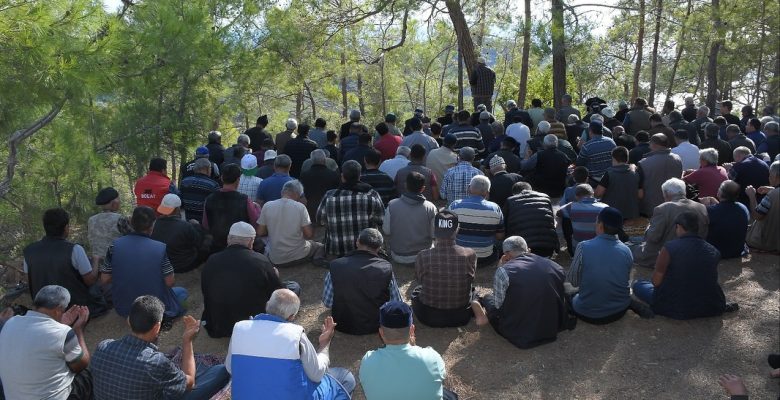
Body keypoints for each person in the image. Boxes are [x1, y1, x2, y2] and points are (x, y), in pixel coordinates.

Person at [90, 296, 229, 400]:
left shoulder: (103, 346)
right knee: (222, 370)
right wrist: (187, 340)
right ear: (157, 327)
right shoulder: (154, 362)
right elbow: (190, 383)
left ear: (129, 321)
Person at [227, 289, 355, 398]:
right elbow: (316, 375)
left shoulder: (239, 328)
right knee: (345, 377)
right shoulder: (296, 335)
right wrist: (324, 344)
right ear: (292, 317)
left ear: (267, 305)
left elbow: (229, 367)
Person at [201, 222, 297, 338]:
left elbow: (206, 292)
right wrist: (275, 276)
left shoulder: (211, 260)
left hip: (219, 326)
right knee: (294, 287)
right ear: (251, 241)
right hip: (253, 325)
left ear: (228, 239)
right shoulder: (260, 261)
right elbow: (277, 292)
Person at [632, 212, 732, 319]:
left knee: (638, 284)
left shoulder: (669, 248)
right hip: (708, 306)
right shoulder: (713, 251)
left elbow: (656, 282)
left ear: (679, 227)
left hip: (674, 306)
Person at [0, 285, 92, 400]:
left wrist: (59, 325)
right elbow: (81, 364)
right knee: (85, 374)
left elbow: (37, 340)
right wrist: (78, 329)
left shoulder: (11, 323)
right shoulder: (62, 332)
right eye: (64, 309)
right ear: (58, 309)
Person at [479, 236, 567, 349]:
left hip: (520, 332)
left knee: (488, 298)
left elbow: (498, 304)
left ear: (507, 254)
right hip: (552, 326)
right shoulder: (554, 265)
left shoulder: (504, 271)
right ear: (527, 249)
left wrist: (500, 267)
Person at [359, 301, 458, 400]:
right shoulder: (432, 358)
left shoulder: (368, 361)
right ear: (412, 330)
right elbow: (442, 376)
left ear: (381, 332)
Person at [101, 206, 187, 318]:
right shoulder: (159, 248)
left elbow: (104, 279)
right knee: (182, 292)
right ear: (152, 226)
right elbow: (170, 282)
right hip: (153, 309)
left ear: (131, 222)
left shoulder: (114, 246)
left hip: (124, 309)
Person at [567, 208, 649, 324]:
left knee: (567, 292)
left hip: (587, 312)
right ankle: (631, 303)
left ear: (600, 225)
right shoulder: (626, 250)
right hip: (619, 311)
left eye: (596, 221)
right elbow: (623, 279)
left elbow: (574, 282)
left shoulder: (583, 246)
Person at [25, 208, 106, 317]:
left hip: (42, 309)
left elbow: (29, 280)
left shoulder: (29, 251)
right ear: (66, 228)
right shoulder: (75, 249)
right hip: (72, 308)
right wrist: (96, 261)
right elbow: (90, 281)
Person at [322, 228, 402, 335]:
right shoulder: (386, 268)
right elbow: (396, 302)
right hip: (376, 324)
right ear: (379, 247)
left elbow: (327, 302)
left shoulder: (336, 265)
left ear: (357, 242)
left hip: (343, 325)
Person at [632, 178, 709, 267]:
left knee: (629, 247)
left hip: (665, 256)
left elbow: (653, 237)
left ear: (666, 194)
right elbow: (704, 233)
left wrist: (649, 227)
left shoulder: (662, 208)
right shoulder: (701, 207)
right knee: (635, 240)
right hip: (693, 253)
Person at [317, 160, 385, 257]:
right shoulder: (372, 194)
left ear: (342, 176)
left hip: (336, 249)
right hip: (366, 248)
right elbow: (381, 219)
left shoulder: (329, 196)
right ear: (359, 176)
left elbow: (320, 220)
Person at [257, 180, 326, 267]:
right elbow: (309, 235)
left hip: (276, 259)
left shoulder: (267, 206)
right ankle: (317, 259)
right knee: (319, 246)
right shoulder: (300, 207)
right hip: (298, 255)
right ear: (297, 194)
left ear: (282, 192)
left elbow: (260, 232)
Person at [449, 175, 505, 267]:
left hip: (460, 257)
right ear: (487, 192)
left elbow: (448, 232)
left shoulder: (454, 205)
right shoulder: (496, 208)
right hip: (485, 259)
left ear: (468, 188)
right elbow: (500, 236)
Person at [383, 172, 437, 264]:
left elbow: (386, 231)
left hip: (398, 256)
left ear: (405, 185)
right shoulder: (431, 207)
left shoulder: (392, 205)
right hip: (424, 256)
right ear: (423, 188)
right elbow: (434, 234)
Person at [203, 164, 259, 252]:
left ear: (222, 178)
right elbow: (255, 224)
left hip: (215, 247)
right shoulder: (245, 200)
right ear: (238, 180)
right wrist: (257, 209)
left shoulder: (209, 199)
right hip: (239, 249)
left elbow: (205, 225)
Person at [151, 194, 208, 273]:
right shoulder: (186, 226)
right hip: (183, 266)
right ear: (177, 209)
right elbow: (198, 242)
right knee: (207, 241)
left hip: (162, 264)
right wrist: (197, 225)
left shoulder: (153, 224)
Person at [504, 182, 559, 257]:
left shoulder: (510, 201)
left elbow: (504, 226)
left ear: (514, 194)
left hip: (522, 248)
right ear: (531, 189)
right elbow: (551, 221)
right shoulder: (545, 198)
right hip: (547, 246)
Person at [699, 181, 749, 259]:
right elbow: (726, 213)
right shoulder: (743, 209)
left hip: (716, 252)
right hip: (737, 251)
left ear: (719, 193)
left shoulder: (710, 211)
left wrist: (703, 207)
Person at [638, 134, 683, 216]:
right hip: (675, 205)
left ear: (654, 145)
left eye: (650, 143)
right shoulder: (677, 159)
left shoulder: (643, 163)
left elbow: (640, 189)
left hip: (652, 207)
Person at [87, 187, 131, 269]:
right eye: (118, 199)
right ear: (113, 202)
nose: (120, 201)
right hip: (115, 265)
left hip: (96, 265)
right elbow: (133, 239)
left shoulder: (91, 220)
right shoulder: (120, 219)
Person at [559, 184, 609, 254]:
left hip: (578, 247)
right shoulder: (604, 207)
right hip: (598, 247)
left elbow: (559, 212)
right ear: (593, 194)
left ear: (576, 196)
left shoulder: (571, 207)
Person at [595, 146, 642, 220]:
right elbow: (640, 195)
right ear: (627, 159)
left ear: (613, 158)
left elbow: (598, 193)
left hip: (612, 215)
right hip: (631, 215)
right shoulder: (636, 173)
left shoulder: (609, 173)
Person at [745, 161, 780, 252]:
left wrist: (752, 196)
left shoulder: (771, 196)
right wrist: (773, 189)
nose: (769, 177)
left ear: (776, 176)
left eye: (770, 175)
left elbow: (757, 216)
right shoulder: (773, 192)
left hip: (768, 242)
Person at [299, 149, 341, 220]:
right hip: (328, 210)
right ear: (325, 160)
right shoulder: (333, 175)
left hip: (310, 211)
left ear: (312, 161)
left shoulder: (304, 175)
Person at [179, 158, 220, 224]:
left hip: (187, 222)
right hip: (205, 225)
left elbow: (180, 203)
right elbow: (216, 207)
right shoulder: (213, 185)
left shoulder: (184, 182)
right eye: (210, 168)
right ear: (207, 168)